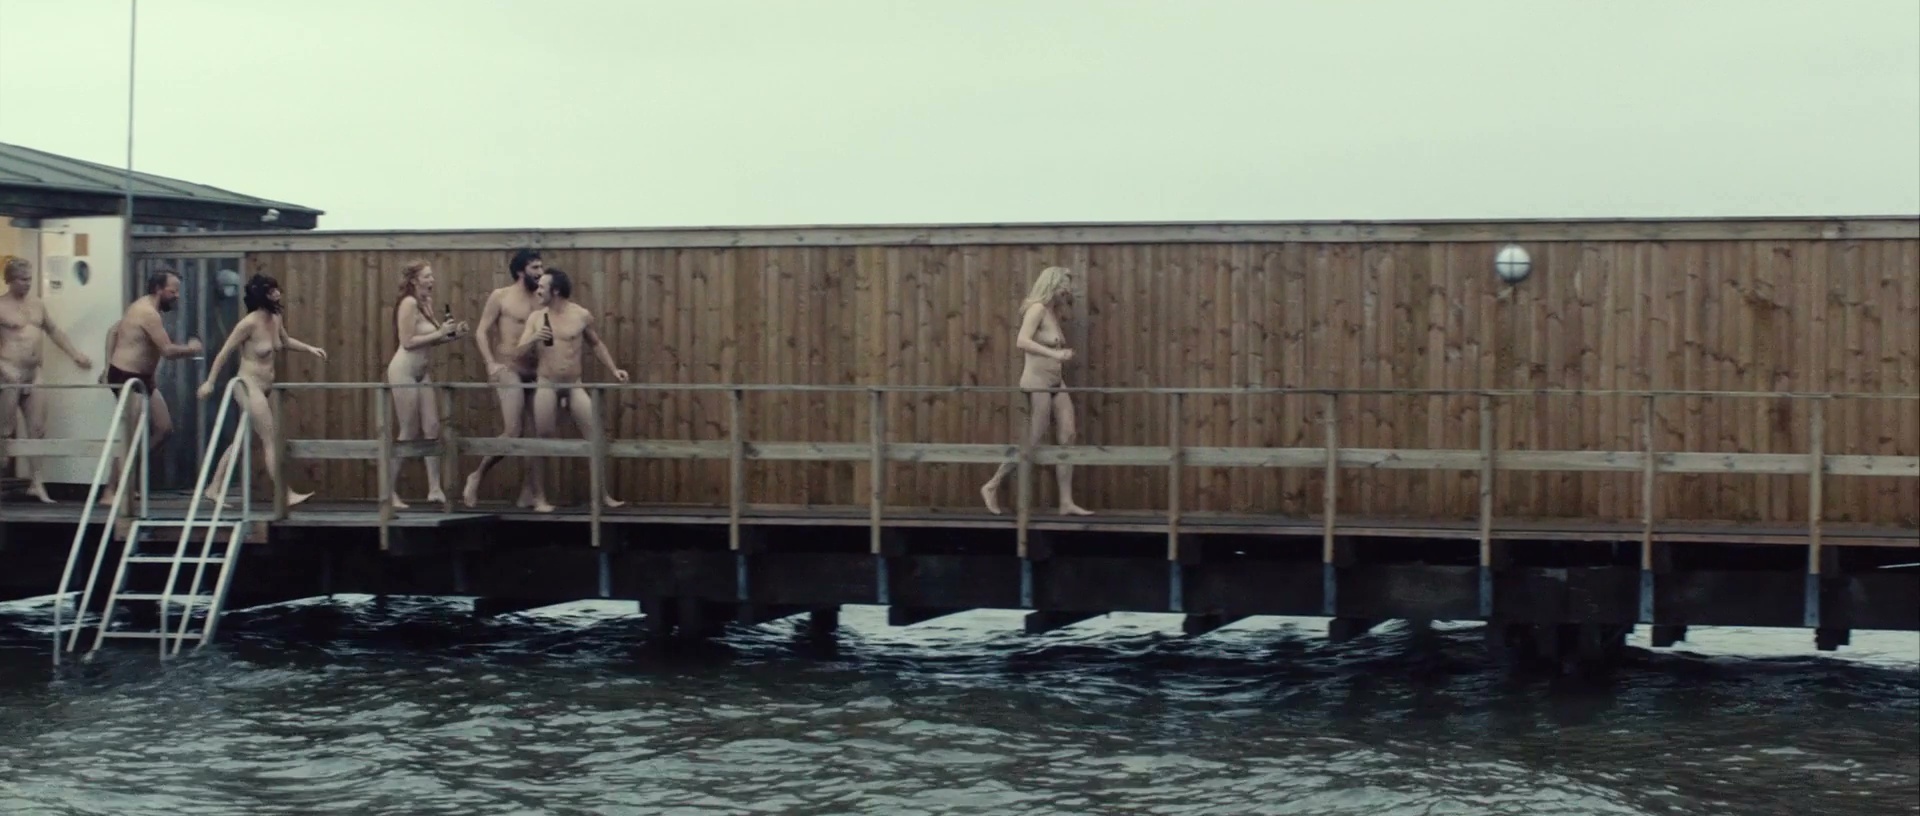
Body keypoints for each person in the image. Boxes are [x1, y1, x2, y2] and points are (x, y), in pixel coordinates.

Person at [196, 274, 327, 508]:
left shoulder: (275, 317)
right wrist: (210, 382)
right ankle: (285, 494)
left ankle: (214, 487)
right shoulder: (248, 324)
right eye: (271, 291)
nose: (277, 294)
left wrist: (309, 348)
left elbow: (285, 341)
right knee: (270, 438)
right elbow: (224, 353)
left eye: (277, 289)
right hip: (248, 385)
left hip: (266, 385)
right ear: (261, 295)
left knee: (241, 439)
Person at [979, 265, 1091, 516]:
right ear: (1052, 285)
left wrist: (1062, 353)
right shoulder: (1037, 309)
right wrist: (1056, 354)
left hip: (1056, 382)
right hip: (1037, 381)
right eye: (1064, 286)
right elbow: (1022, 341)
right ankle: (992, 485)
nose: (1067, 291)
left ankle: (1066, 501)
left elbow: (1063, 313)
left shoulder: (1053, 312)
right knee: (1033, 437)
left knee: (1069, 434)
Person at [516, 268, 628, 513]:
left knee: (595, 436)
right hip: (547, 383)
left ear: (555, 291)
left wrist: (614, 369)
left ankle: (602, 495)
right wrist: (534, 338)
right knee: (542, 438)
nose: (538, 290)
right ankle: (539, 498)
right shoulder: (536, 317)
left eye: (542, 287)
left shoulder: (580, 315)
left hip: (574, 384)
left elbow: (596, 344)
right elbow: (518, 351)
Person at [99, 267, 202, 507]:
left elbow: (113, 331)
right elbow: (167, 351)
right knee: (131, 434)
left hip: (144, 378)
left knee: (164, 429)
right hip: (127, 377)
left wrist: (105, 365)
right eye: (173, 291)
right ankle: (110, 491)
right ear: (158, 289)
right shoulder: (146, 312)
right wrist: (191, 349)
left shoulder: (145, 308)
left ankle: (129, 474)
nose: (177, 296)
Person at [0, 255, 93, 502]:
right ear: (10, 280)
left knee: (38, 429)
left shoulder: (37, 305)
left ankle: (37, 483)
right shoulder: (1, 306)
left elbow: (53, 330)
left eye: (29, 279)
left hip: (33, 373)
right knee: (5, 431)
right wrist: (3, 369)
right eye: (22, 279)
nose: (27, 283)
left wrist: (75, 354)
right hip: (8, 372)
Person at [461, 249, 547, 508]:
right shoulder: (501, 296)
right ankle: (477, 475)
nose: (540, 272)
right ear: (521, 271)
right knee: (513, 431)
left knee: (538, 434)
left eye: (541, 267)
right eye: (535, 268)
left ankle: (528, 491)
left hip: (536, 371)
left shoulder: (542, 298)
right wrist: (490, 363)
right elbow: (481, 332)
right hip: (509, 369)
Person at [384, 260, 467, 509]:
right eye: (427, 276)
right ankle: (388, 491)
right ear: (414, 280)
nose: (432, 280)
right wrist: (440, 332)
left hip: (422, 373)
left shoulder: (426, 303)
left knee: (432, 427)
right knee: (408, 430)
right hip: (403, 371)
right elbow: (407, 341)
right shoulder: (408, 303)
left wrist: (453, 334)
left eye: (432, 276)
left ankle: (434, 488)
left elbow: (431, 339)